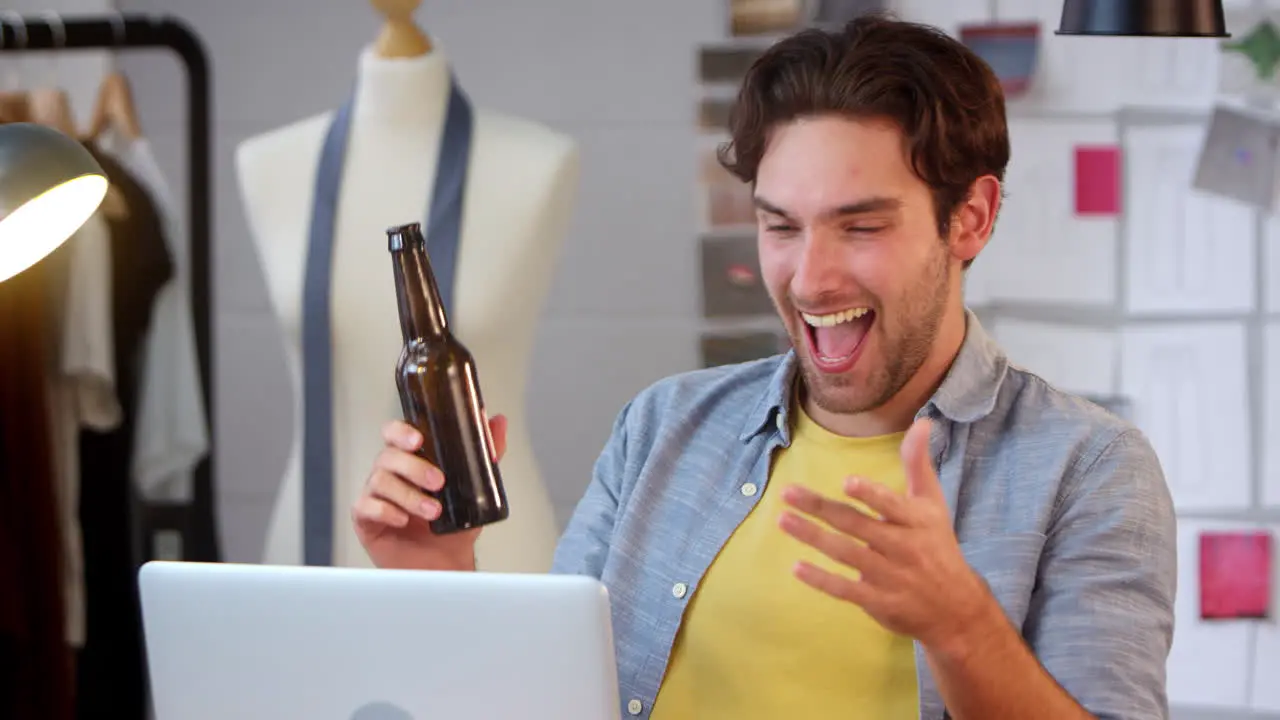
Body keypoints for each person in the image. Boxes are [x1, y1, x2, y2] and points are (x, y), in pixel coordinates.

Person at [352, 13, 1176, 720]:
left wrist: (960, 626)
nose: (810, 278)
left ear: (971, 218)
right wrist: (444, 582)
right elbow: (552, 701)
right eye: (781, 226)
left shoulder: (1088, 468)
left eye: (860, 227)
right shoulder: (663, 427)